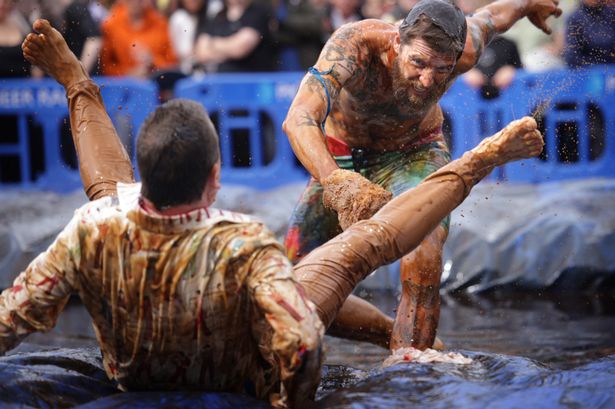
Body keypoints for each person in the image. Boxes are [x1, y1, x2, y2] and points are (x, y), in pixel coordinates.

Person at [5, 19, 543, 408]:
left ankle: (78, 81)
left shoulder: (92, 232)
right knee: (362, 248)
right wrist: (484, 158)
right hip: (235, 373)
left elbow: (13, 316)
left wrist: (77, 87)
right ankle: (482, 161)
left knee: (105, 195)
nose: (428, 79)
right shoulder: (243, 244)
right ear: (216, 178)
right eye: (419, 65)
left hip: (134, 375)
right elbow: (304, 344)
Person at [282, 0, 561, 352]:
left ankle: (412, 363)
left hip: (414, 152)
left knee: (424, 246)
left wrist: (526, 5)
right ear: (398, 42)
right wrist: (335, 181)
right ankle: (389, 333)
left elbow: (491, 17)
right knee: (289, 288)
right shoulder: (355, 44)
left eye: (442, 69)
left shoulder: (466, 47)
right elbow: (299, 118)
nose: (427, 80)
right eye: (418, 62)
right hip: (342, 158)